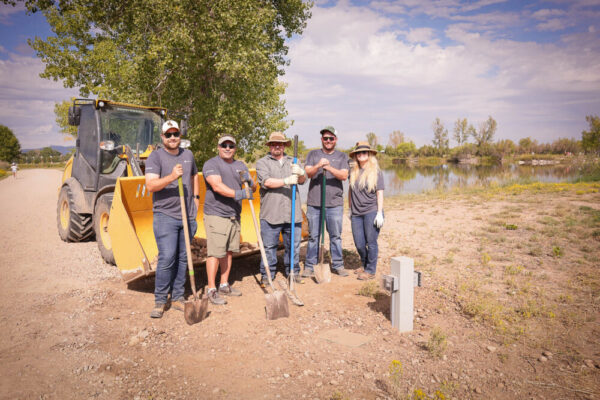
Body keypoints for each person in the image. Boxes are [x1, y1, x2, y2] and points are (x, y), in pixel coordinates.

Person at [145, 120, 200, 318]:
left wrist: (196, 197)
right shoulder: (155, 156)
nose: (173, 138)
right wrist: (171, 176)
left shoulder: (188, 154)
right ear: (162, 137)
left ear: (180, 135)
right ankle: (160, 300)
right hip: (165, 215)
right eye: (168, 135)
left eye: (175, 134)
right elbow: (151, 186)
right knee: (167, 257)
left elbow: (195, 176)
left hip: (187, 215)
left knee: (183, 258)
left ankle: (177, 296)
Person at [202, 135, 256, 305]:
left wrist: (250, 181)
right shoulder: (211, 164)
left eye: (231, 145)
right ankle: (211, 289)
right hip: (216, 214)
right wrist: (239, 194)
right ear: (218, 147)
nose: (227, 148)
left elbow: (253, 187)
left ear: (235, 148)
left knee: (229, 251)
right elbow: (217, 186)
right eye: (224, 145)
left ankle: (224, 284)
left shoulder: (240, 165)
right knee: (215, 252)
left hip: (234, 214)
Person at [256, 132, 307, 286]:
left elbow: (303, 181)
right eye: (273, 144)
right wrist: (286, 180)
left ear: (285, 146)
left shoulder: (294, 161)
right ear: (270, 146)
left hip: (292, 213)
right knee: (269, 247)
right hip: (271, 213)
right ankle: (267, 274)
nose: (277, 146)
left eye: (280, 144)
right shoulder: (262, 163)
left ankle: (293, 272)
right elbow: (267, 182)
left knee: (293, 246)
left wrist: (301, 172)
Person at [302, 126, 350, 278]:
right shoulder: (313, 154)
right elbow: (308, 174)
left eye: (331, 138)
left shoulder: (342, 156)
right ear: (321, 140)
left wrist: (328, 167)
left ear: (335, 140)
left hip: (334, 204)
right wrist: (318, 166)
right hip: (314, 203)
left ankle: (338, 265)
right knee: (313, 236)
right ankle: (310, 266)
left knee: (335, 236)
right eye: (325, 138)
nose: (328, 141)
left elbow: (344, 176)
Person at [348, 142, 384, 280]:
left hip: (371, 211)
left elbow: (379, 193)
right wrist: (350, 208)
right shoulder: (353, 171)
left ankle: (370, 270)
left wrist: (379, 213)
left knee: (371, 242)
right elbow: (350, 191)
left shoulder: (376, 172)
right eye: (358, 153)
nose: (361, 155)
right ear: (356, 156)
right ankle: (364, 263)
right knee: (359, 243)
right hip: (356, 213)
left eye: (364, 153)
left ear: (369, 155)